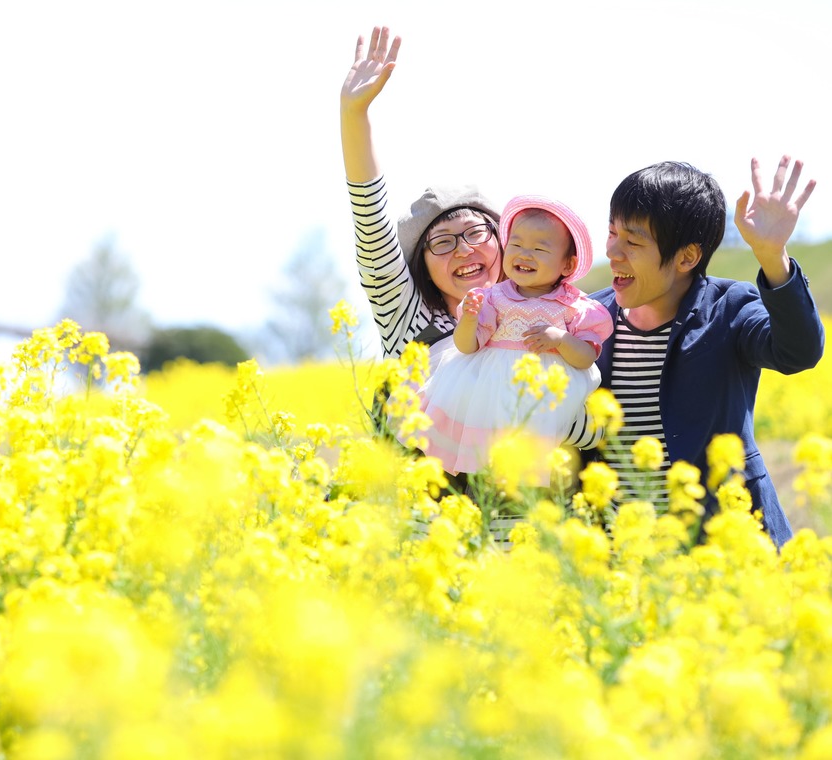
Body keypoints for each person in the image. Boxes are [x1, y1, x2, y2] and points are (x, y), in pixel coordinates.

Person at [583, 157, 822, 548]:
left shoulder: (729, 309)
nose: (613, 251)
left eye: (633, 241)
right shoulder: (588, 318)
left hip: (723, 547)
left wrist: (772, 258)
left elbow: (798, 352)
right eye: (612, 233)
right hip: (618, 557)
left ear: (687, 257)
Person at [341, 26, 504, 368]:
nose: (463, 249)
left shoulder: (544, 311)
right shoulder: (408, 318)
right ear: (423, 268)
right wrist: (354, 115)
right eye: (442, 243)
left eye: (476, 233)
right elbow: (370, 220)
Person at [421, 196, 613, 476]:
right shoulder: (493, 297)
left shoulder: (574, 306)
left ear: (567, 266)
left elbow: (586, 357)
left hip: (546, 396)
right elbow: (467, 346)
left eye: (539, 248)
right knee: (485, 462)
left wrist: (560, 339)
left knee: (537, 463)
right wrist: (470, 321)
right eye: (516, 244)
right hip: (491, 391)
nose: (524, 254)